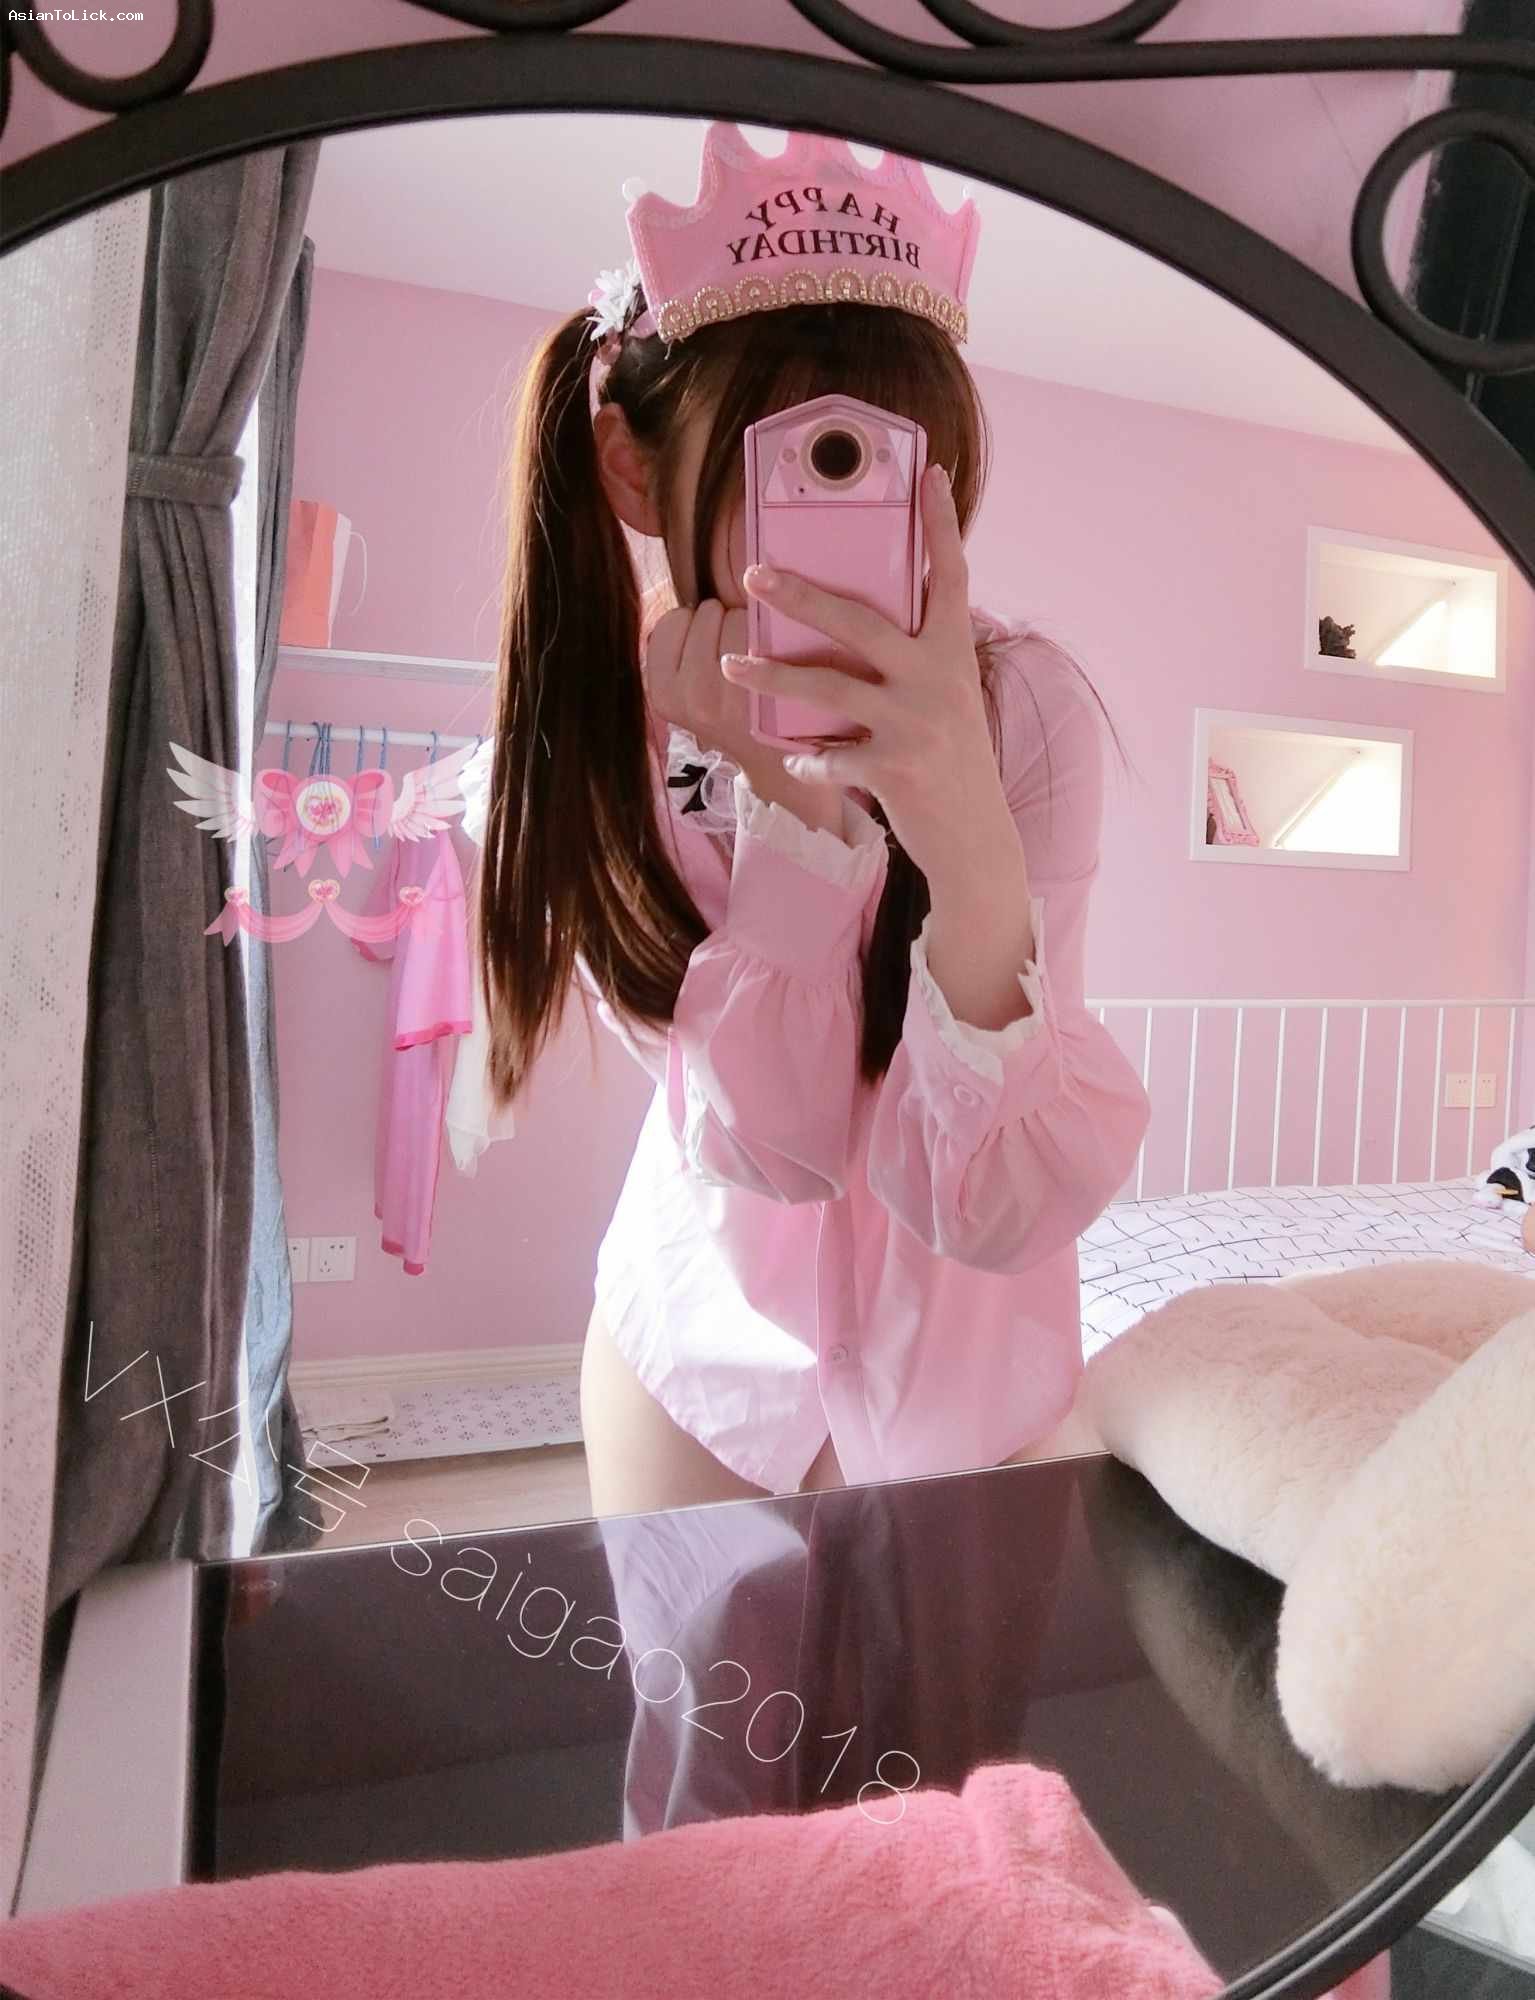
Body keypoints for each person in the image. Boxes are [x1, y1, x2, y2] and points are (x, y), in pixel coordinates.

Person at [478, 123, 1151, 1517]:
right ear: (632, 470)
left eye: (889, 460)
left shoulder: (1023, 710)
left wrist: (961, 824)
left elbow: (999, 1197)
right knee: (686, 1672)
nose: (847, 512)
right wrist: (792, 806)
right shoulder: (613, 735)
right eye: (794, 460)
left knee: (959, 1685)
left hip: (969, 1389)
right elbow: (770, 1148)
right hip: (702, 1357)